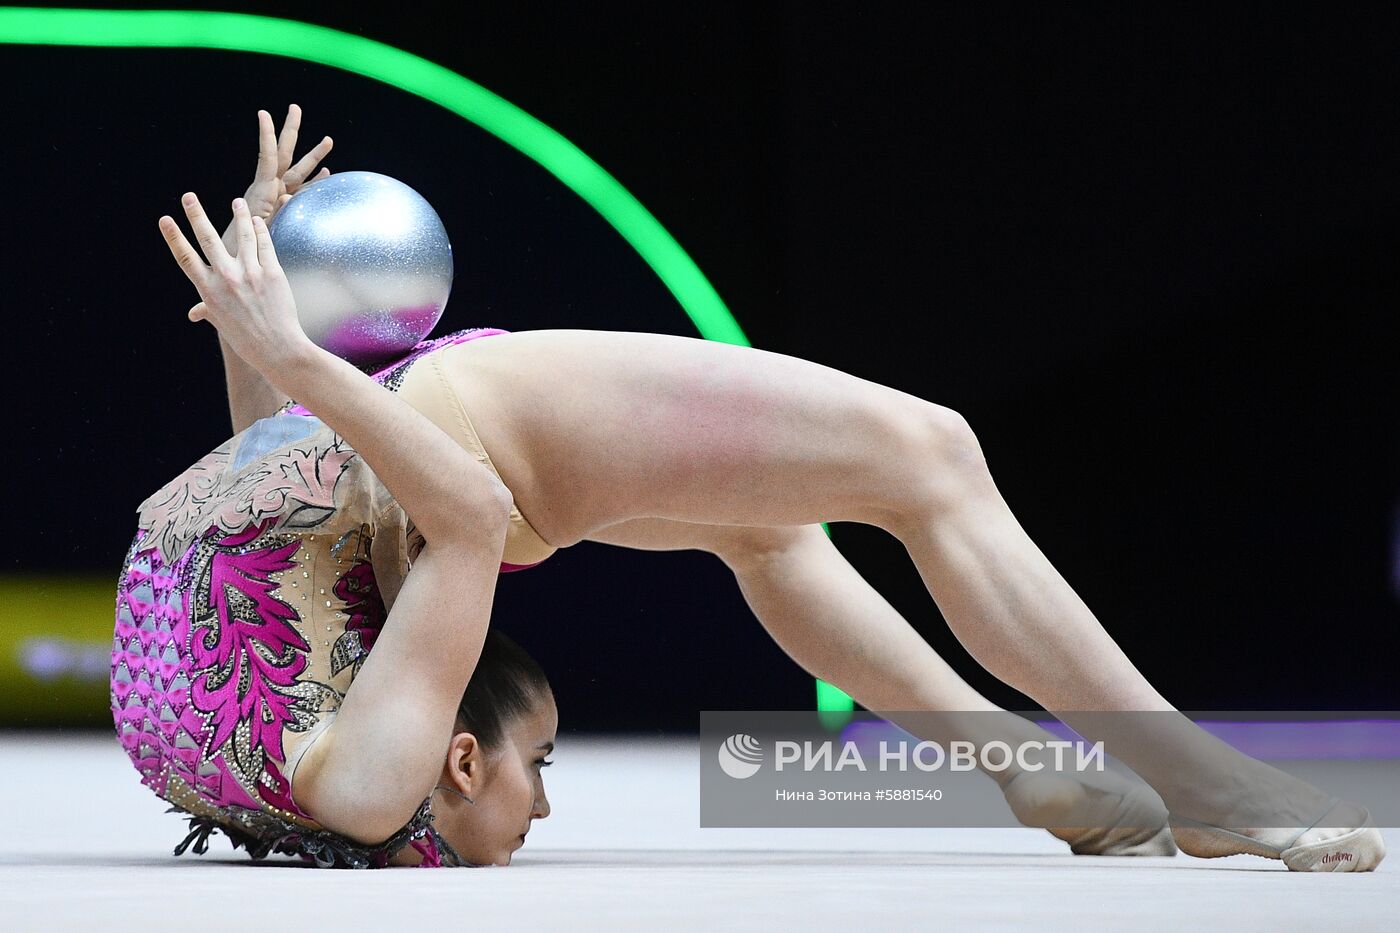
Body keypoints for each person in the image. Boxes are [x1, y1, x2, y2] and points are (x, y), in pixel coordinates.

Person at [116, 104, 1383, 871]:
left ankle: (1036, 772)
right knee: (930, 456)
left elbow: (292, 494)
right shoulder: (280, 765)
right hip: (456, 438)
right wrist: (276, 348)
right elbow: (447, 514)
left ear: (453, 765)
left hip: (432, 444)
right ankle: (1198, 784)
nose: (542, 802)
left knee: (778, 535)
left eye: (536, 775)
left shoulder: (328, 772)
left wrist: (262, 303)